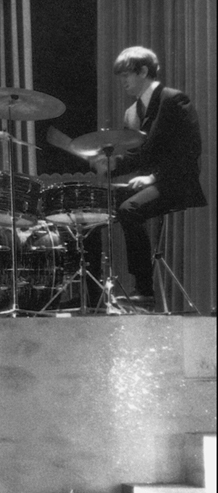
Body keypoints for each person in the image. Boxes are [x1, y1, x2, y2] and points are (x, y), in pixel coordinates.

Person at [98, 46, 206, 308]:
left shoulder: (173, 99)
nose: (123, 82)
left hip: (177, 180)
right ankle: (101, 290)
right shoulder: (132, 113)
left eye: (127, 75)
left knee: (130, 209)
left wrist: (152, 178)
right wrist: (108, 165)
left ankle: (144, 291)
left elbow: (189, 151)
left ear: (144, 71)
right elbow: (139, 156)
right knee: (100, 203)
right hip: (153, 182)